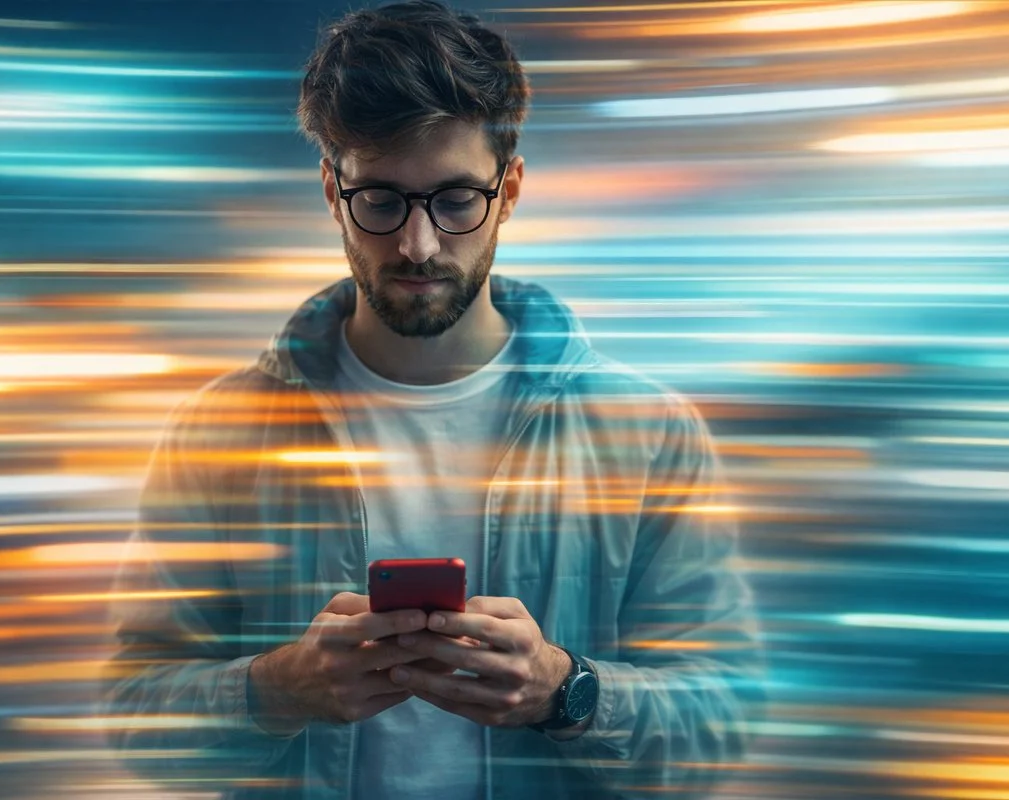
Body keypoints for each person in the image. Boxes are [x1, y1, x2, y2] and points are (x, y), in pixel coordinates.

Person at [101, 2, 765, 798]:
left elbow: (721, 720)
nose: (418, 246)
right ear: (330, 189)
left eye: (456, 201)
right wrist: (277, 690)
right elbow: (137, 712)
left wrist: (567, 691)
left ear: (509, 188)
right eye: (380, 201)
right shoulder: (218, 432)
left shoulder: (648, 433)